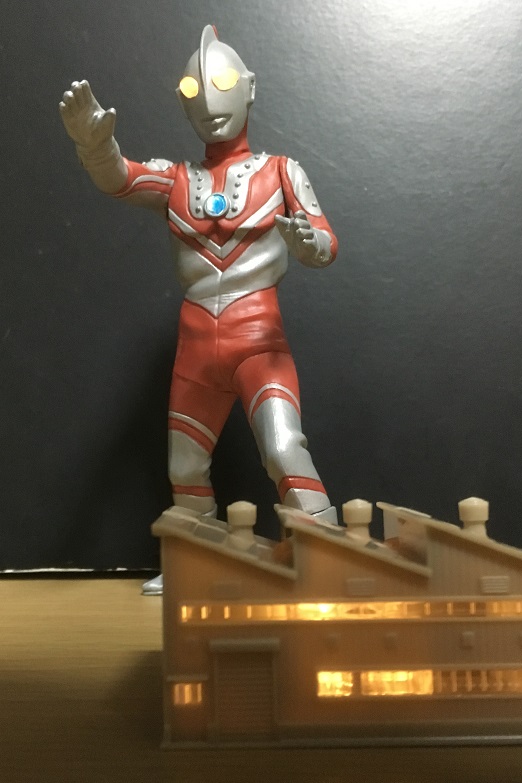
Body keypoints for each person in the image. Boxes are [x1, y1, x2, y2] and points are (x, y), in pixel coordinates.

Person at [60, 25, 338, 594]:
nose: (211, 100)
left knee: (283, 448)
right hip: (196, 351)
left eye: (224, 83)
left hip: (258, 344)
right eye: (194, 89)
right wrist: (95, 147)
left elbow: (327, 242)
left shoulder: (281, 171)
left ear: (249, 88)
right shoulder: (177, 180)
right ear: (182, 98)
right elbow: (120, 179)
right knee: (185, 467)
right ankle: (194, 561)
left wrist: (308, 242)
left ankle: (326, 555)